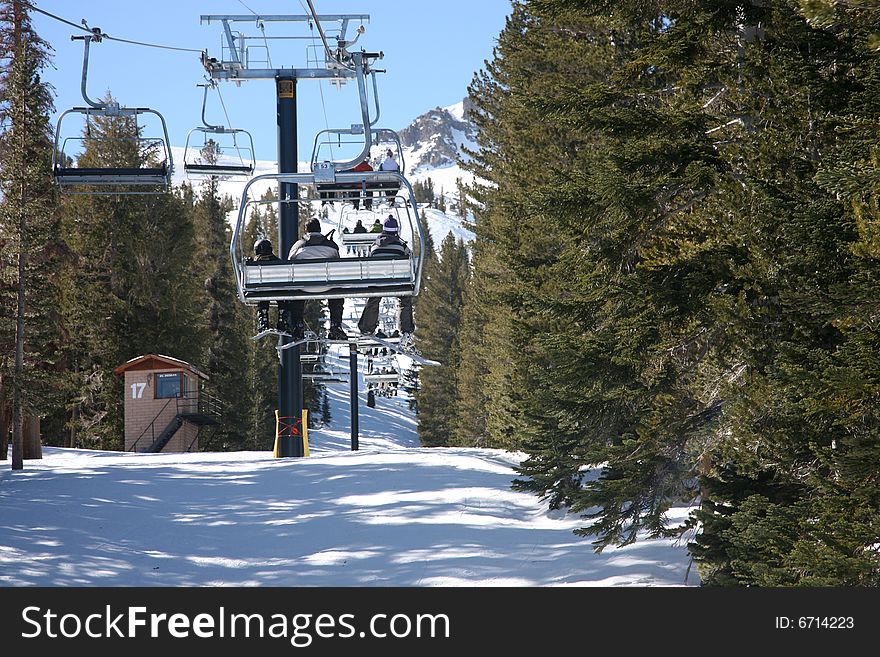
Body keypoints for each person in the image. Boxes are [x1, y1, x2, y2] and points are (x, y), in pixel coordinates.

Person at [286, 218, 347, 341]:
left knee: (295, 292)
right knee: (337, 293)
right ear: (320, 229)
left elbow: (289, 263)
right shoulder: (331, 245)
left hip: (304, 286)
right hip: (327, 285)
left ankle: (298, 324)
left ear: (306, 230)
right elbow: (337, 262)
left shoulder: (299, 245)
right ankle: (335, 324)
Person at [357, 215, 415, 341]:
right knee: (404, 299)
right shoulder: (401, 246)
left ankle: (367, 328)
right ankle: (406, 329)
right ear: (396, 231)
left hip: (378, 283)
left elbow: (369, 261)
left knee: (374, 298)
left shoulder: (375, 246)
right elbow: (410, 259)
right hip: (397, 283)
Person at [250, 238, 293, 334]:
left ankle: (263, 318)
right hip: (279, 290)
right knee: (283, 295)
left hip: (262, 290)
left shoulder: (254, 264)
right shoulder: (278, 262)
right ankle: (283, 318)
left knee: (263, 295)